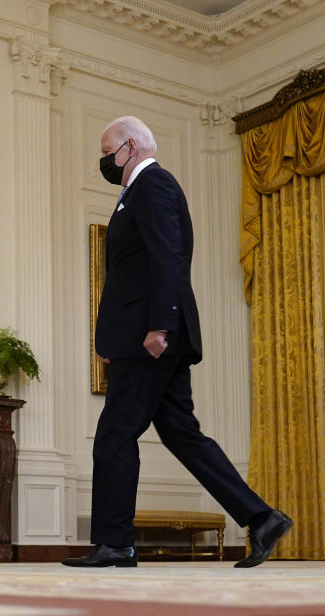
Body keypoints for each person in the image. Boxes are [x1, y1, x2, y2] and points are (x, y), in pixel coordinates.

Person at [62, 116, 291, 569]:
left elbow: (169, 256)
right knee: (182, 433)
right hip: (145, 335)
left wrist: (160, 327)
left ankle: (115, 543)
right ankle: (261, 517)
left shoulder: (155, 184)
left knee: (114, 435)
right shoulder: (136, 193)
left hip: (151, 338)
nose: (102, 160)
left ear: (129, 147)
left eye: (106, 150)